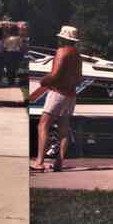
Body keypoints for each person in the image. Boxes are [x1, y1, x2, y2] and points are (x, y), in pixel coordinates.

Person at [30, 25, 82, 172]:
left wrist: (44, 81)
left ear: (63, 38)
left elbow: (55, 74)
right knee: (64, 129)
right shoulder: (77, 55)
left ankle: (39, 162)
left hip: (58, 92)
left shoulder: (61, 52)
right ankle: (59, 162)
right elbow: (79, 79)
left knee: (43, 125)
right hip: (71, 95)